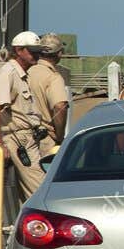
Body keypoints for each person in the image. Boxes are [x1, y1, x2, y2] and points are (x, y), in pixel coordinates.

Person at [0, 31, 56, 201]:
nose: (37, 55)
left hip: (28, 138)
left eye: (38, 51)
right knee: (41, 192)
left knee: (30, 193)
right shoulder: (8, 73)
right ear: (19, 50)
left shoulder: (22, 75)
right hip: (20, 140)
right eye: (32, 51)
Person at [27, 34, 72, 162]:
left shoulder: (26, 73)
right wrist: (59, 137)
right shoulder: (53, 77)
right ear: (59, 54)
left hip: (23, 138)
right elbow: (60, 107)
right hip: (45, 141)